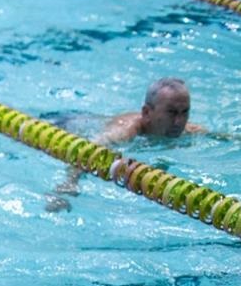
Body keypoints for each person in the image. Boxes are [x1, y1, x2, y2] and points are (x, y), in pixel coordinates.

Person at [46, 77, 204, 212]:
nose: (179, 121)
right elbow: (87, 151)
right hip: (63, 123)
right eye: (171, 113)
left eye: (185, 112)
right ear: (146, 113)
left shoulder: (190, 130)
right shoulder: (124, 132)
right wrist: (69, 184)